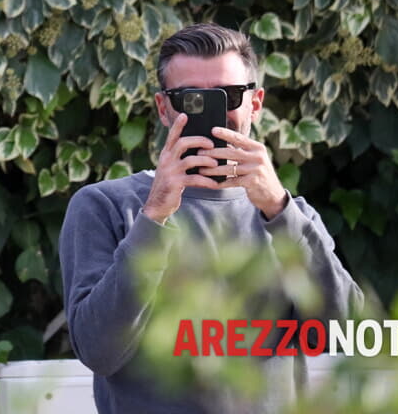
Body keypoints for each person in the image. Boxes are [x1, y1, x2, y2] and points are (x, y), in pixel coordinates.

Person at [59, 23, 363, 413]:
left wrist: (279, 209)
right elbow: (98, 351)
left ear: (255, 103)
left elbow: (348, 337)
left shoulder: (291, 217)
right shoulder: (105, 206)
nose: (212, 109)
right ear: (164, 107)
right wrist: (155, 216)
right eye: (190, 97)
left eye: (228, 95)